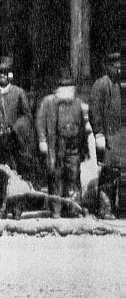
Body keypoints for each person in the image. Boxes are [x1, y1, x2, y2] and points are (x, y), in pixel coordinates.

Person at [36, 70, 92, 215]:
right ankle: (56, 210)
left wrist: (85, 148)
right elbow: (40, 122)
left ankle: (74, 209)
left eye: (70, 89)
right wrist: (42, 141)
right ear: (58, 90)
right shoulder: (48, 102)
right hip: (56, 145)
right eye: (64, 89)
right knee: (56, 175)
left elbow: (83, 126)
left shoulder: (77, 103)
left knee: (73, 175)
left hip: (73, 146)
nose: (68, 92)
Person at [0, 57, 39, 182]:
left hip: (16, 140)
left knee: (19, 170)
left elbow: (27, 116)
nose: (2, 76)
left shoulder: (19, 93)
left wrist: (14, 128)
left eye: (5, 73)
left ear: (10, 75)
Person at [89, 52, 122, 219]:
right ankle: (105, 208)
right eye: (116, 67)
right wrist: (99, 133)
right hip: (108, 137)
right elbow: (94, 111)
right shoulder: (100, 85)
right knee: (109, 172)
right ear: (109, 67)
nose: (120, 70)